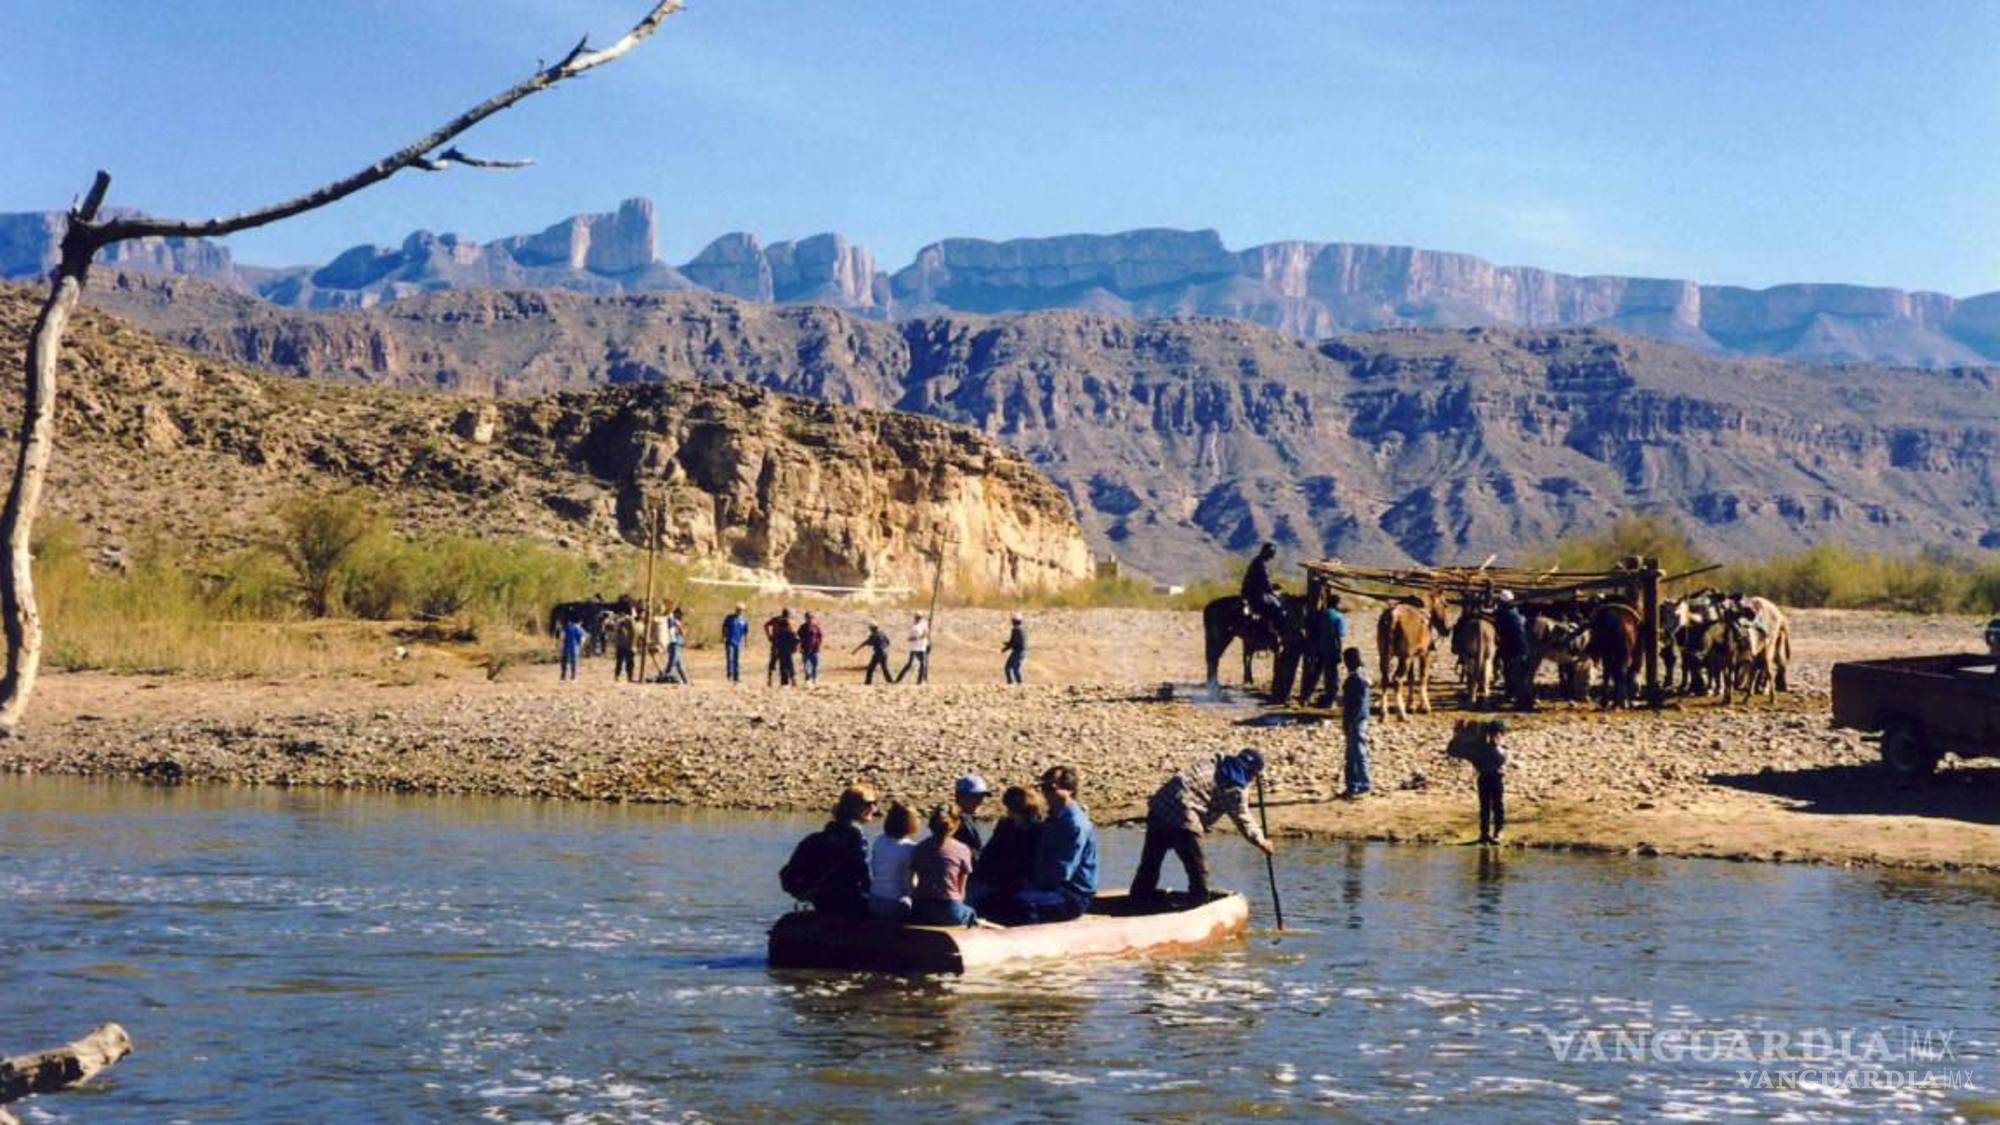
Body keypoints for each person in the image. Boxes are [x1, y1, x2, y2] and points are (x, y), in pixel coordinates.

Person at [1130, 748, 1275, 902]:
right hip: (1182, 816)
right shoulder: (1236, 789)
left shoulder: (1214, 761)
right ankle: (1198, 900)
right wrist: (1261, 841)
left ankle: (1141, 894)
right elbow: (1242, 818)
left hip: (1159, 807)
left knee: (1151, 860)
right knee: (1197, 867)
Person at [992, 766, 1097, 924]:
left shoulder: (1074, 824)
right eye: (1043, 788)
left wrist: (1031, 886)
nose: (1045, 793)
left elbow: (1062, 871)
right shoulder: (1054, 818)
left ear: (1069, 790)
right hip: (1050, 888)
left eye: (1050, 788)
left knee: (1017, 903)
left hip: (1071, 895)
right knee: (1001, 897)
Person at [968, 786, 1045, 912]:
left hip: (1020, 882)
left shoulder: (1038, 830)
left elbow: (1032, 863)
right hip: (996, 879)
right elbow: (989, 854)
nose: (1009, 812)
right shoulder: (1006, 825)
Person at [805, 785, 876, 916]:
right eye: (868, 803)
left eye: (874, 803)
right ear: (853, 807)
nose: (874, 808)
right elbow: (862, 874)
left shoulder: (826, 834)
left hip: (822, 900)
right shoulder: (856, 837)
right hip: (850, 901)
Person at [910, 804, 981, 927]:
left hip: (920, 909)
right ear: (957, 824)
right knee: (971, 913)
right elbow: (961, 892)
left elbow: (913, 881)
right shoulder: (962, 849)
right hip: (949, 909)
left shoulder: (920, 847)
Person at [1448, 720, 1511, 844]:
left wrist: (1458, 737)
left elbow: (1454, 751)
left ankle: (1494, 832)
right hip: (1489, 776)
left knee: (1494, 805)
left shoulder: (1490, 748)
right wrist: (1457, 737)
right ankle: (1488, 833)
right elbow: (1454, 752)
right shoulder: (1484, 747)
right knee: (1488, 806)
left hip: (1492, 776)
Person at [867, 802, 920, 919]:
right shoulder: (911, 848)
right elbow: (911, 884)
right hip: (897, 904)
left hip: (874, 901)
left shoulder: (879, 841)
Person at [1298, 593, 1346, 706]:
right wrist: (1339, 651)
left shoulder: (1321, 614)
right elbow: (1339, 636)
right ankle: (1330, 700)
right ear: (1337, 604)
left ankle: (1305, 697)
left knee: (1315, 674)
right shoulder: (1339, 616)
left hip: (1319, 649)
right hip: (1332, 650)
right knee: (1332, 677)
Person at [1339, 648, 1372, 798]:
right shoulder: (1361, 676)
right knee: (1354, 754)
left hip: (1356, 722)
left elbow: (1357, 704)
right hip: (1359, 720)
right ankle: (1354, 785)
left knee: (1357, 754)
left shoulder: (1356, 678)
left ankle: (1361, 785)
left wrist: (1350, 722)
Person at [1494, 590, 1533, 712]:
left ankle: (1524, 703)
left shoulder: (1505, 614)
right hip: (1522, 648)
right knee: (1521, 676)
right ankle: (1523, 701)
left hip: (1515, 650)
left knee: (1518, 677)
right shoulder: (1515, 612)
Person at [1241, 542, 1284, 629]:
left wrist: (1273, 586)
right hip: (1255, 593)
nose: (1272, 555)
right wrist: (1272, 591)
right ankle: (1272, 629)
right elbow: (1264, 581)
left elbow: (1263, 580)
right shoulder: (1260, 563)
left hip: (1255, 591)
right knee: (1277, 606)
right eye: (1271, 553)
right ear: (1266, 552)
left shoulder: (1259, 562)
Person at [953, 775, 989, 859]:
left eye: (982, 796)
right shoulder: (959, 822)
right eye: (975, 797)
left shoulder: (968, 819)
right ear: (960, 797)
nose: (980, 801)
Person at [765, 608, 798, 687]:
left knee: (776, 662)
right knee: (787, 663)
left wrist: (769, 636)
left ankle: (773, 680)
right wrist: (794, 647)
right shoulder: (788, 621)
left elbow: (766, 625)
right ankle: (790, 680)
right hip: (782, 644)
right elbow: (795, 637)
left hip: (777, 643)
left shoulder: (777, 620)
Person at [895, 612, 931, 684]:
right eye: (917, 617)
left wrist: (929, 621)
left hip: (922, 648)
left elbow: (926, 632)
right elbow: (909, 638)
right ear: (915, 617)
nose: (918, 619)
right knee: (909, 664)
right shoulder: (912, 626)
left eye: (920, 617)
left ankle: (920, 681)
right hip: (914, 648)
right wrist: (917, 638)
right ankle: (898, 679)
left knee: (922, 664)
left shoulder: (923, 625)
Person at [660, 607, 689, 684]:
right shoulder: (672, 620)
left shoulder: (677, 622)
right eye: (681, 614)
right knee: (672, 662)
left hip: (678, 644)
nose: (682, 616)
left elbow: (683, 633)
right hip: (674, 643)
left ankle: (686, 680)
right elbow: (673, 632)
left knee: (679, 664)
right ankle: (665, 677)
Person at [722, 604, 750, 683]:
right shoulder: (729, 618)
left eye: (741, 610)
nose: (739, 611)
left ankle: (736, 677)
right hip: (730, 641)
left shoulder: (744, 620)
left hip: (738, 642)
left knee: (737, 660)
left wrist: (746, 642)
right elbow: (724, 627)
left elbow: (746, 632)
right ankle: (729, 676)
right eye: (738, 609)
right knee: (730, 659)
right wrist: (724, 637)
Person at [611, 611, 638, 683]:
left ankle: (621, 676)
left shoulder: (624, 620)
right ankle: (625, 677)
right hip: (625, 644)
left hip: (624, 644)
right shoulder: (628, 620)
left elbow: (633, 632)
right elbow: (634, 632)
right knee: (625, 662)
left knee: (624, 662)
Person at [798, 612, 825, 685]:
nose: (809, 619)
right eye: (807, 618)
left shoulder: (816, 627)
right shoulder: (802, 627)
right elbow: (799, 638)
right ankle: (807, 679)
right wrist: (799, 647)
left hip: (814, 648)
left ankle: (814, 678)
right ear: (805, 618)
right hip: (805, 648)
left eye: (811, 618)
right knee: (806, 664)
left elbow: (820, 636)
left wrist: (819, 645)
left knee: (815, 664)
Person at [1000, 613, 1027, 684]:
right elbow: (1016, 641)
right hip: (1023, 652)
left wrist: (1005, 648)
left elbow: (1013, 642)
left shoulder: (1016, 630)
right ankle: (1020, 683)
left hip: (1017, 652)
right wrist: (1008, 645)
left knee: (1008, 668)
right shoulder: (1022, 630)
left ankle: (1010, 683)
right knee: (1016, 669)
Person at [559, 616, 586, 681]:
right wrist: (580, 646)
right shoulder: (580, 629)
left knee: (564, 662)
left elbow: (562, 637)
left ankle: (563, 677)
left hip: (566, 647)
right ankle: (573, 677)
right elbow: (582, 639)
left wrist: (561, 646)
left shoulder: (566, 628)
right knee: (574, 663)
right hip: (575, 648)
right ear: (580, 622)